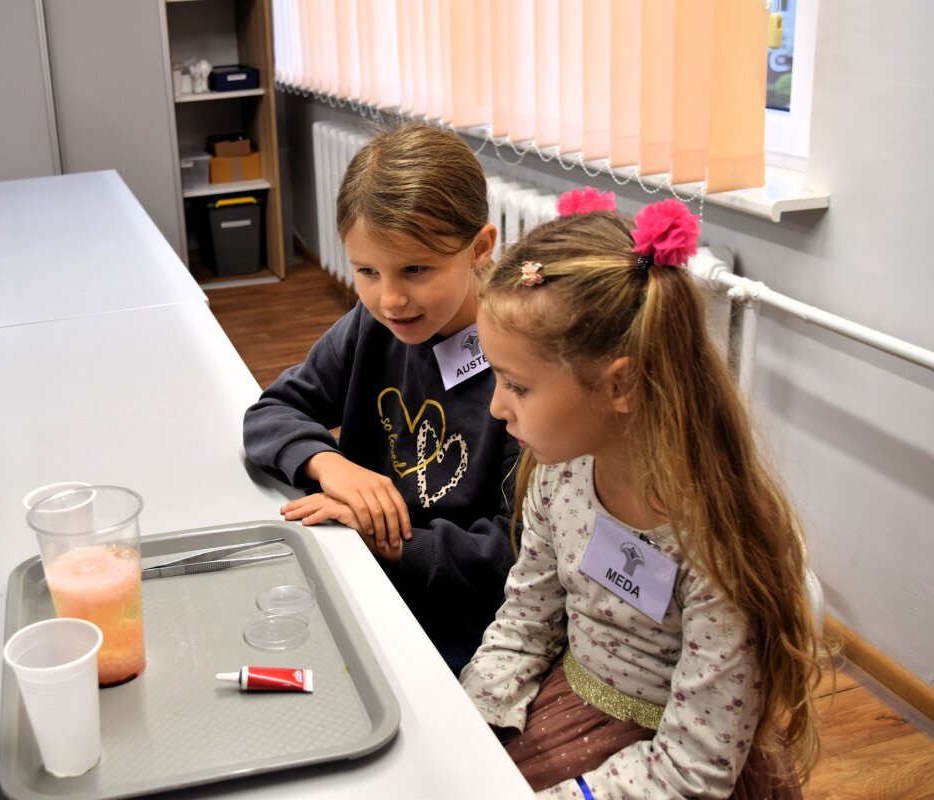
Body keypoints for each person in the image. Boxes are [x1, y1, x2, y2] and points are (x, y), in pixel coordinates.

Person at [459, 188, 822, 797]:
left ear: (619, 385)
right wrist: (468, 724)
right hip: (568, 712)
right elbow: (525, 621)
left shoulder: (716, 545)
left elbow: (692, 766)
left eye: (516, 386)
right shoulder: (559, 475)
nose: (496, 408)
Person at [243, 123, 520, 674]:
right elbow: (271, 412)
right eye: (367, 271)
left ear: (479, 248)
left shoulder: (522, 366)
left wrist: (388, 539)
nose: (390, 299)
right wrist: (329, 465)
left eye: (416, 269)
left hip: (460, 619)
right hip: (359, 570)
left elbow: (514, 553)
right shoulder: (372, 326)